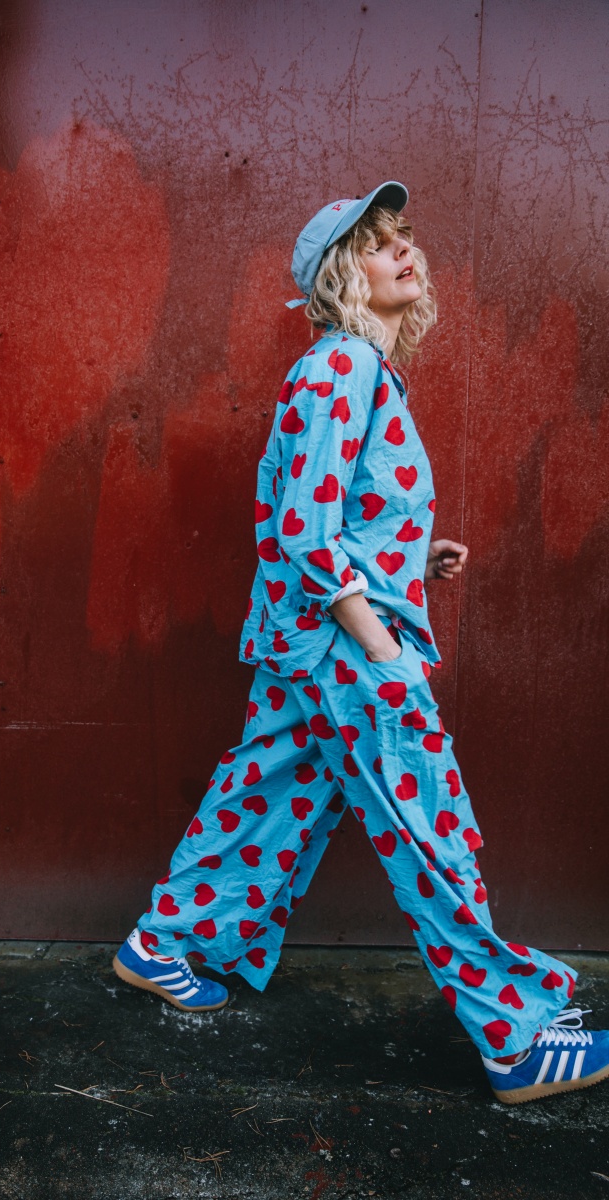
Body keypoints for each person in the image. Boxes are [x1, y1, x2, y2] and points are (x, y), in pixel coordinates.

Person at [112, 182, 609, 1105]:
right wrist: (381, 645)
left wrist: (412, 552)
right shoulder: (341, 367)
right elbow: (305, 532)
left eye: (403, 236)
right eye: (379, 244)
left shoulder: (355, 370)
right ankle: (515, 1036)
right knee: (429, 831)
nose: (404, 251)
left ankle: (163, 943)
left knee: (267, 796)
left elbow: (335, 513)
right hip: (342, 650)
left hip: (307, 644)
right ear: (342, 276)